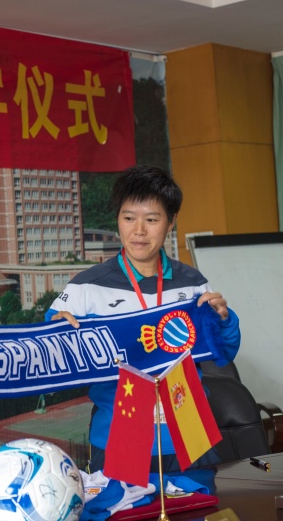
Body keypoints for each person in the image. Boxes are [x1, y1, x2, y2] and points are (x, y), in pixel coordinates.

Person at [46, 165, 241, 475]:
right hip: (119, 436)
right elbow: (50, 354)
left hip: (188, 433)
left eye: (151, 219)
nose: (138, 231)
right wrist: (56, 331)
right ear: (118, 220)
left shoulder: (193, 283)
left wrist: (225, 319)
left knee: (197, 502)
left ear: (170, 222)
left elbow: (225, 352)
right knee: (122, 504)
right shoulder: (86, 287)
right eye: (128, 218)